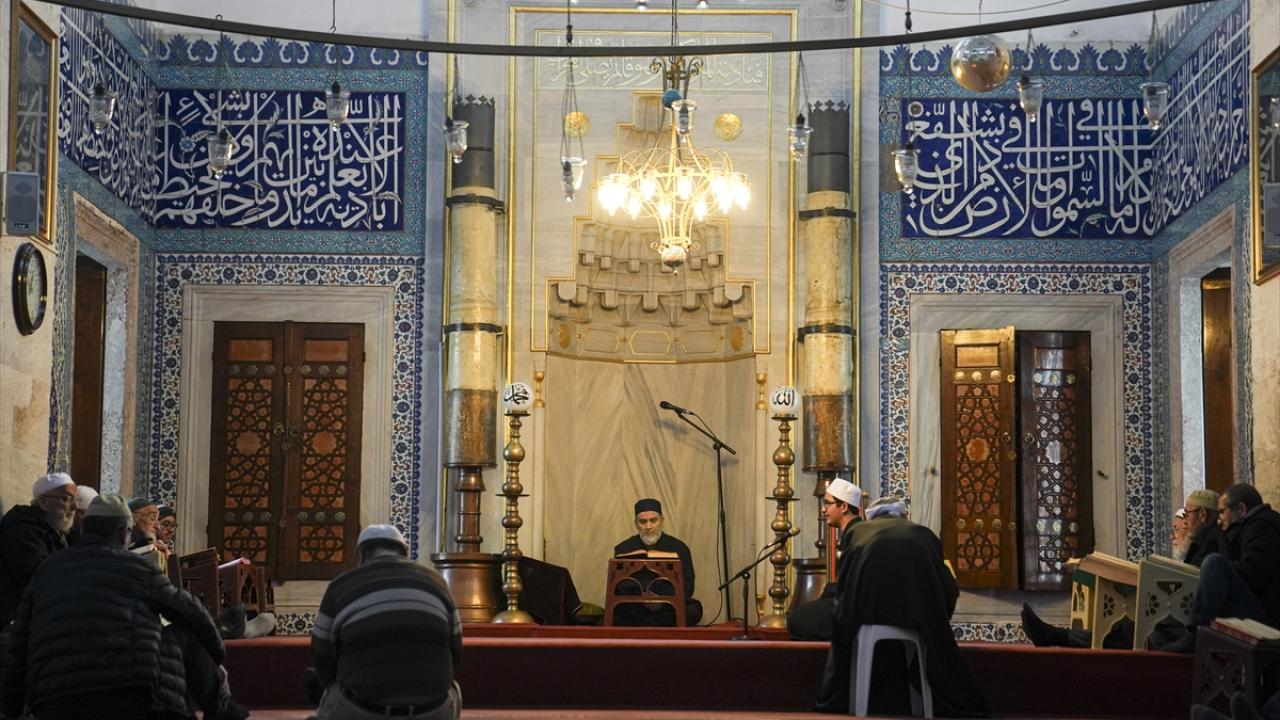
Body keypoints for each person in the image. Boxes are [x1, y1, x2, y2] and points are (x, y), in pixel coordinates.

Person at [0, 494, 247, 720]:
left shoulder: (47, 569)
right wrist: (217, 655)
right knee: (182, 634)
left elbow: (18, 643)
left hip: (55, 701)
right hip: (129, 699)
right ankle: (223, 710)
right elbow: (191, 613)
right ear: (123, 533)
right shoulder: (136, 568)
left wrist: (10, 709)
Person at [816, 496, 991, 717]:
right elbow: (947, 586)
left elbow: (846, 584)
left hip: (868, 613)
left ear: (872, 516)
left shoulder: (858, 532)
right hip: (918, 616)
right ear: (903, 515)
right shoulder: (924, 534)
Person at [1022, 489, 1227, 649]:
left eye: (1188, 514)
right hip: (1179, 613)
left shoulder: (1211, 539)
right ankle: (1056, 636)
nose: (1186, 521)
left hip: (1184, 623)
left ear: (1202, 514)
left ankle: (1056, 636)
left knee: (1130, 630)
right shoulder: (1206, 539)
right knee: (1126, 627)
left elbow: (1196, 582)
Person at [306, 524, 461, 720]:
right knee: (454, 689)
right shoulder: (438, 583)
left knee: (323, 686)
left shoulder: (340, 587)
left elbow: (322, 656)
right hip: (433, 711)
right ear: (404, 553)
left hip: (363, 712)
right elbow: (456, 652)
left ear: (360, 555)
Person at [1161, 483, 1280, 654]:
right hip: (1261, 606)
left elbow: (1253, 573)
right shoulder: (1251, 527)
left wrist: (1221, 573)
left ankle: (1198, 634)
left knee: (1214, 563)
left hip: (1267, 615)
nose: (1219, 519)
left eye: (1222, 512)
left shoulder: (1262, 527)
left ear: (1241, 509)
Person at [789, 477, 862, 641]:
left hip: (854, 606)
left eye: (828, 503)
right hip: (853, 601)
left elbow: (846, 584)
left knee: (796, 619)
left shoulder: (855, 534)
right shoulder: (856, 531)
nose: (823, 509)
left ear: (844, 507)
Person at [611, 498, 702, 626]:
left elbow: (687, 586)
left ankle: (644, 627)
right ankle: (654, 626)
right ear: (636, 524)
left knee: (693, 609)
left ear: (662, 521)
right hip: (636, 605)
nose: (648, 527)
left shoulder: (679, 548)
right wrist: (643, 597)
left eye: (653, 520)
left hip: (667, 605)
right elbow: (619, 585)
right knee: (615, 611)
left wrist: (660, 600)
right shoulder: (623, 549)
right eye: (643, 522)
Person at [0, 474, 77, 624]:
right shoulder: (24, 531)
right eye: (66, 499)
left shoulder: (54, 531)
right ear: (44, 503)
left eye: (76, 499)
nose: (74, 507)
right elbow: (40, 577)